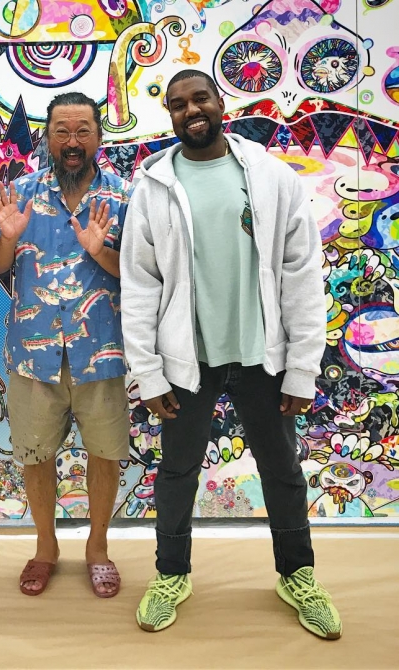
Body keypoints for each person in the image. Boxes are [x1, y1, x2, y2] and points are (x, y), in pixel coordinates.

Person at [120, 69, 342, 639]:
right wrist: (148, 373)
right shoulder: (154, 186)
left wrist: (302, 368)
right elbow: (140, 284)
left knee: (282, 470)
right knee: (177, 472)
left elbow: (301, 274)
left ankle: (297, 576)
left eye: (200, 99)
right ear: (170, 115)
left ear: (221, 103)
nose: (191, 111)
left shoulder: (271, 176)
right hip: (187, 358)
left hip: (261, 356)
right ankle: (171, 575)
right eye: (178, 105)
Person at [0, 92, 132, 598]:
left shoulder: (124, 197)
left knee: (105, 452)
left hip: (101, 351)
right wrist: (7, 237)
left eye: (82, 130)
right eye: (62, 131)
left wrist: (100, 251)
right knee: (34, 454)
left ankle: (98, 548)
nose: (72, 141)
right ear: (47, 137)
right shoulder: (19, 193)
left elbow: (138, 273)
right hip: (32, 354)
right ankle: (45, 547)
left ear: (99, 137)